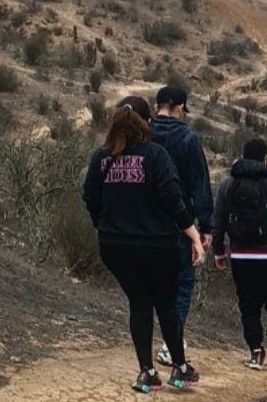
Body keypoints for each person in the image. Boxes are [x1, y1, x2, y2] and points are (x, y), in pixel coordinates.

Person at [82, 96, 205, 392]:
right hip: (157, 246)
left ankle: (146, 372)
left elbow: (89, 196)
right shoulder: (155, 155)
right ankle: (179, 367)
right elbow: (173, 201)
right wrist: (194, 237)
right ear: (147, 123)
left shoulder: (102, 158)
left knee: (139, 304)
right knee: (166, 303)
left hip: (115, 246)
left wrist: (105, 225)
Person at [212, 138, 267, 371]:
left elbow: (218, 220)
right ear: (265, 158)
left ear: (242, 156)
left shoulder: (227, 184)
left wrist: (219, 251)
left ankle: (255, 352)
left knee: (248, 305)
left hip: (240, 256)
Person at [151, 86, 214, 367]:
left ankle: (153, 339)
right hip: (180, 223)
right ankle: (170, 342)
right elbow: (200, 184)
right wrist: (206, 226)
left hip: (145, 220)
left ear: (157, 106)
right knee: (182, 283)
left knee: (153, 284)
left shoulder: (143, 133)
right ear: (179, 108)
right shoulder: (188, 138)